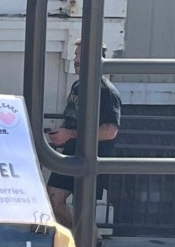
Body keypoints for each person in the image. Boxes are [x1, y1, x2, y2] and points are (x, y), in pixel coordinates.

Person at [46, 47, 123, 229]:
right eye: (75, 54)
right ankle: (84, 240)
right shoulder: (77, 86)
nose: (75, 59)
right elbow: (73, 117)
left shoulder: (107, 91)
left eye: (79, 55)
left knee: (83, 210)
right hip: (70, 154)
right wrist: (61, 134)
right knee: (53, 199)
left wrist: (70, 134)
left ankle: (90, 241)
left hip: (91, 158)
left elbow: (110, 131)